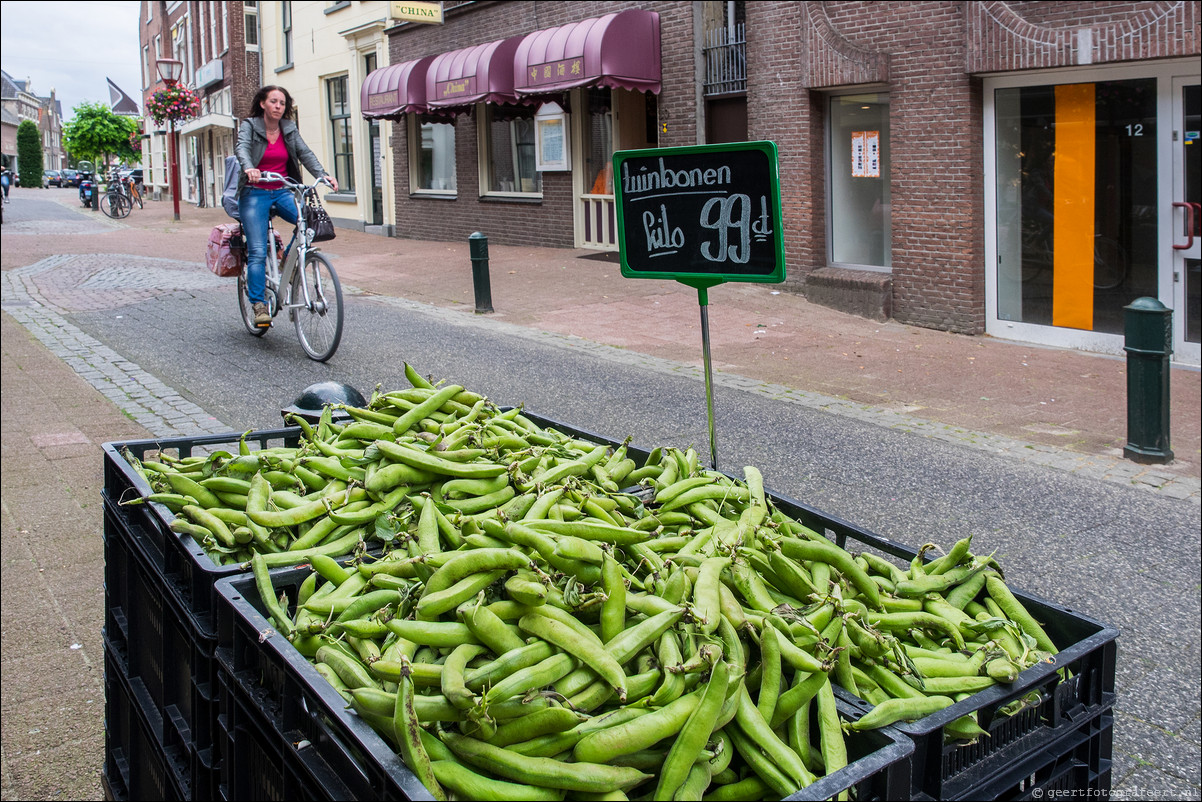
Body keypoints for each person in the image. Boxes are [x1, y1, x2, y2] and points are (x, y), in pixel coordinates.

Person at [234, 85, 337, 327]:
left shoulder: (289, 128)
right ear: (263, 104)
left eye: (282, 102)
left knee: (310, 223)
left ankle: (288, 261)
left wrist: (324, 175)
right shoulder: (250, 126)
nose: (278, 106)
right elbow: (242, 149)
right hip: (254, 192)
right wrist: (249, 168)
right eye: (274, 101)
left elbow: (305, 153)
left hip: (281, 190)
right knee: (258, 250)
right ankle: (259, 305)